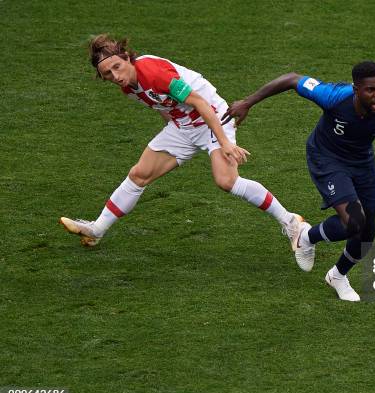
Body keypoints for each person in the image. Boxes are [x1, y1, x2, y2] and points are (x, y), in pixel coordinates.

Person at [60, 34, 304, 251]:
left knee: (226, 181)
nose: (115, 76)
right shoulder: (128, 87)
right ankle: (97, 230)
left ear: (126, 58)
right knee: (139, 174)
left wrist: (225, 143)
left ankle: (291, 222)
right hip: (183, 125)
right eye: (108, 75)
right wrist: (172, 132)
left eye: (117, 67)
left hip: (212, 118)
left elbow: (199, 102)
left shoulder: (153, 72)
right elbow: (159, 105)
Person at [222, 61, 375, 301]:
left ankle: (337, 275)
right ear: (356, 89)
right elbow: (293, 79)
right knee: (355, 222)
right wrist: (248, 102)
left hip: (362, 162)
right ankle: (305, 237)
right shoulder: (334, 96)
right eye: (371, 90)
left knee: (368, 230)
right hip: (327, 159)